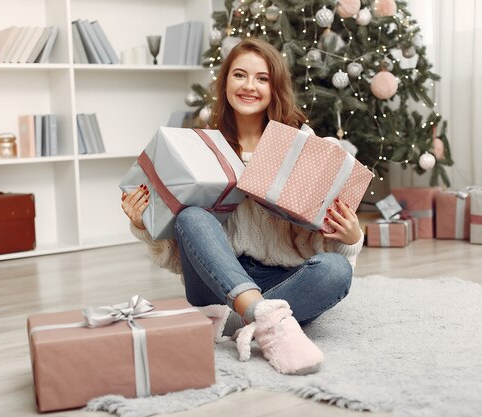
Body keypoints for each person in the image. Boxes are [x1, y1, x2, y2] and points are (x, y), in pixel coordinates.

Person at [121, 38, 363, 376]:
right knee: (191, 216)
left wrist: (351, 235)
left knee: (337, 270)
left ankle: (252, 315)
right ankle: (268, 320)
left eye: (262, 78)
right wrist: (145, 223)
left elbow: (328, 233)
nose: (249, 86)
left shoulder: (303, 144)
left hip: (284, 276)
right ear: (225, 83)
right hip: (218, 276)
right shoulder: (203, 147)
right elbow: (185, 248)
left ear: (274, 87)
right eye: (239, 75)